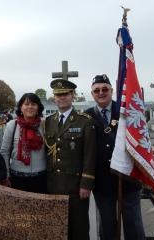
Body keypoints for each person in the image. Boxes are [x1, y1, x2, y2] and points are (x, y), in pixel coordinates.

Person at [85, 74, 145, 240]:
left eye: (105, 89)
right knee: (107, 225)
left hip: (128, 178)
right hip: (102, 181)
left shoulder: (126, 111)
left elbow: (139, 141)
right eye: (97, 90)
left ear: (112, 91)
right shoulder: (86, 116)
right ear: (92, 94)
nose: (101, 93)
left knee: (133, 223)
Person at [44, 79, 96, 240]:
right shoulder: (48, 121)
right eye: (58, 95)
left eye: (65, 94)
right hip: (54, 184)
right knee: (57, 228)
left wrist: (86, 184)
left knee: (78, 229)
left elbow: (90, 154)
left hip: (76, 186)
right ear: (54, 97)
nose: (62, 98)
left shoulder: (84, 120)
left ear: (73, 96)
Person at [1, 93, 47, 193]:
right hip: (17, 179)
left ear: (38, 107)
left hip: (41, 179)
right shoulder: (12, 125)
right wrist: (6, 176)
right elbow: (5, 152)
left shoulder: (45, 125)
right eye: (26, 104)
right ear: (21, 107)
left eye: (34, 104)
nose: (30, 107)